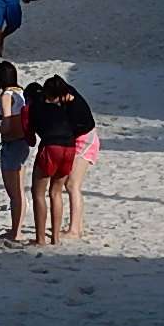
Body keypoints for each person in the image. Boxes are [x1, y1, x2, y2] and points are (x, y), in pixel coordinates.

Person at [27, 74, 95, 246]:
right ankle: (56, 237)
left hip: (65, 144)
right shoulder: (66, 100)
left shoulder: (37, 106)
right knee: (57, 192)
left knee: (41, 193)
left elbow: (31, 137)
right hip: (70, 146)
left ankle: (43, 238)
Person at [0, 60, 32, 242]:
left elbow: (7, 124)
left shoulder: (6, 95)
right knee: (19, 190)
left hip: (12, 143)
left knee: (13, 192)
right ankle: (17, 228)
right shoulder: (22, 93)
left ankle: (16, 232)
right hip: (22, 142)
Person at [66, 82, 101, 239]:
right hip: (84, 138)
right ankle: (77, 227)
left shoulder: (74, 105)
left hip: (86, 141)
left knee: (73, 185)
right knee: (72, 185)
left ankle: (74, 229)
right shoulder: (72, 99)